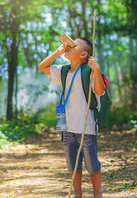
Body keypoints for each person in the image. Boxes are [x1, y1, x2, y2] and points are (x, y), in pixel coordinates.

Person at [38, 38, 104, 198]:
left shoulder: (89, 71)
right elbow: (42, 66)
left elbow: (100, 91)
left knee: (92, 164)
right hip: (67, 126)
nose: (68, 46)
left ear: (83, 54)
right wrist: (59, 51)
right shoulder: (64, 71)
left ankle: (97, 194)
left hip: (85, 126)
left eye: (73, 45)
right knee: (73, 164)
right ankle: (78, 194)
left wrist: (96, 69)